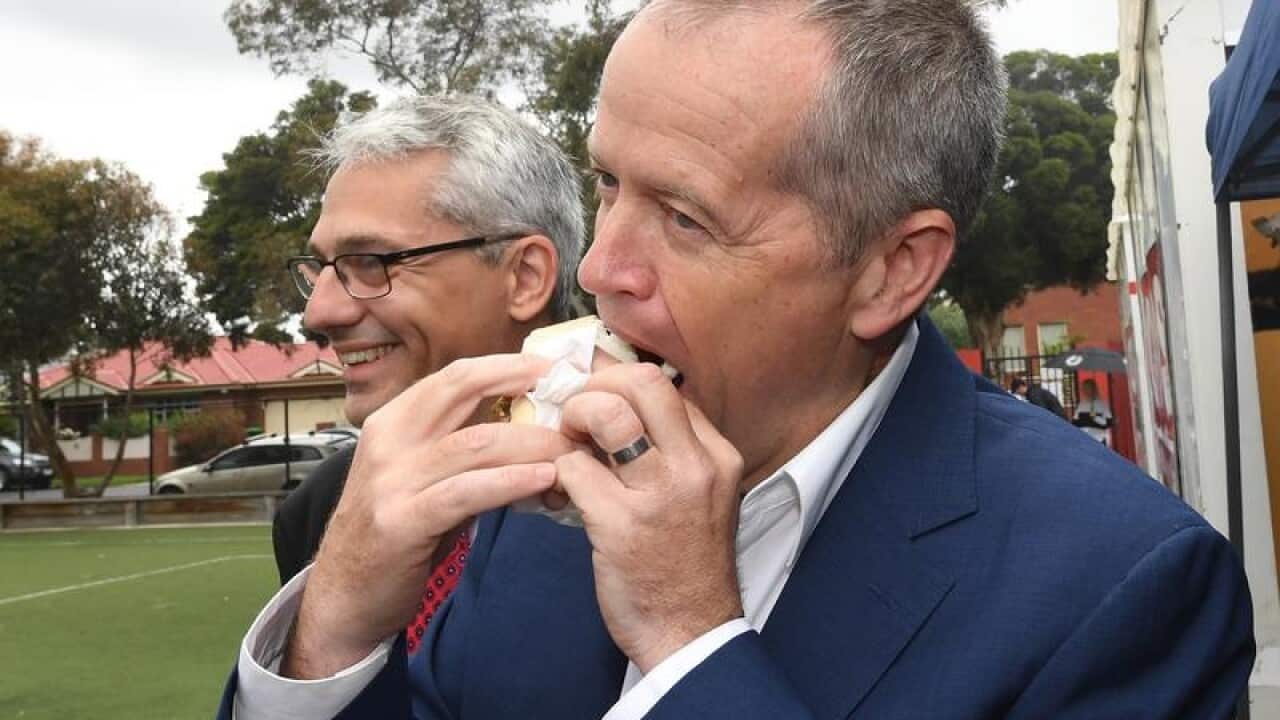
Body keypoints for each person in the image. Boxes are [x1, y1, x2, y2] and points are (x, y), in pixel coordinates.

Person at [224, 2, 1255, 718]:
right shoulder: (538, 503)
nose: (604, 266)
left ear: (891, 271)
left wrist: (687, 644)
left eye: (680, 215)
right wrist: (335, 634)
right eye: (607, 186)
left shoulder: (1116, 590)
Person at [1073, 378, 1114, 445]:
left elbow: (1108, 424)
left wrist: (1095, 417)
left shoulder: (1102, 404)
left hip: (1099, 440)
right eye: (1084, 389)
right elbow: (1075, 422)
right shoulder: (1081, 405)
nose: (1085, 391)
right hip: (1085, 441)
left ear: (1094, 389)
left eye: (1088, 388)